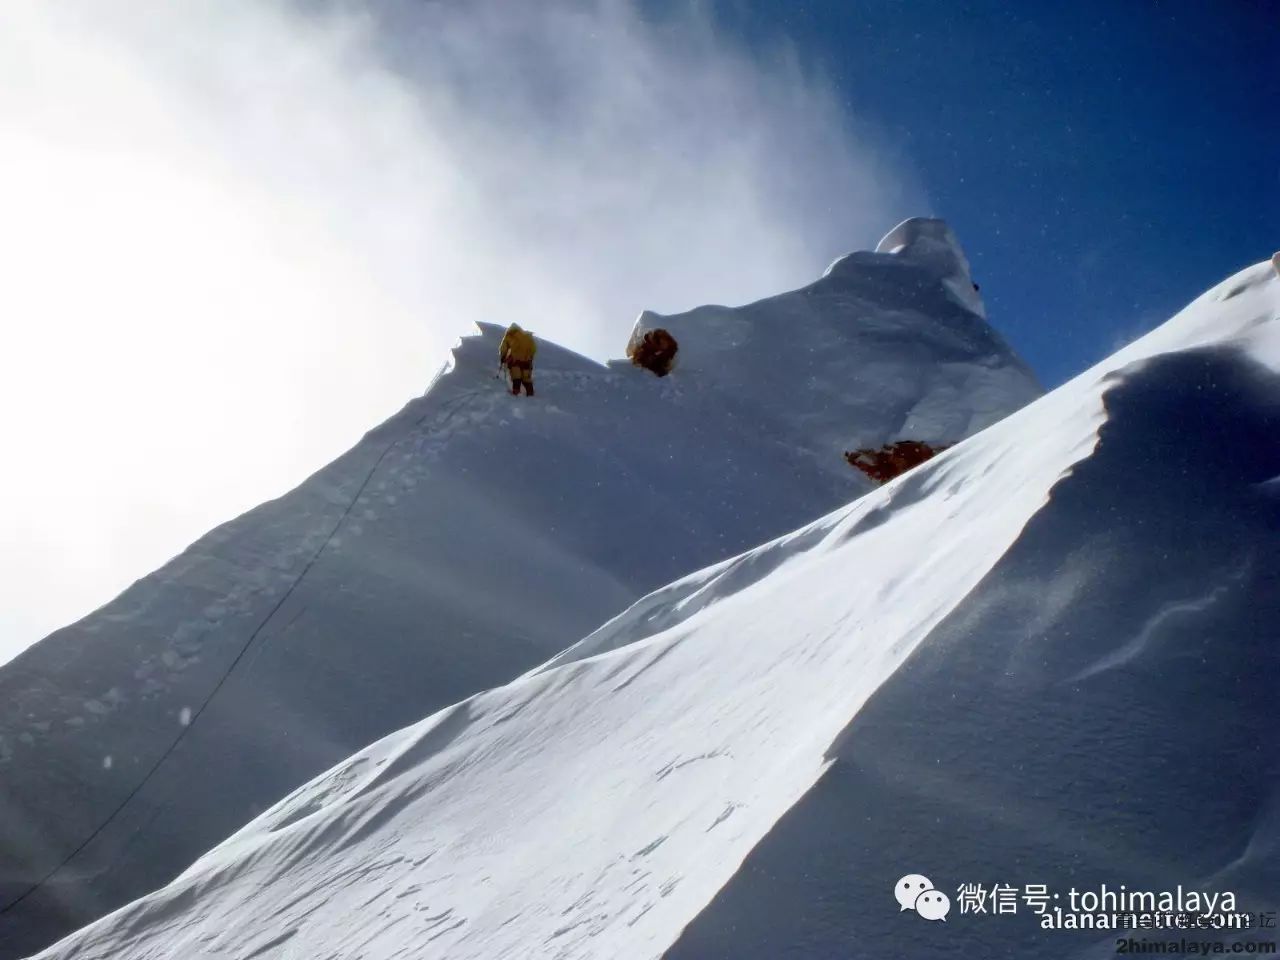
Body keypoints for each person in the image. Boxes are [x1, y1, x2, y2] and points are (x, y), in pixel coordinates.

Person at [499, 323, 537, 396]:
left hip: (515, 360)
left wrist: (503, 357)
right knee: (526, 378)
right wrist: (530, 357)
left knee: (516, 376)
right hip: (527, 361)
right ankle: (530, 394)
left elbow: (503, 348)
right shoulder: (527, 336)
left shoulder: (509, 335)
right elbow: (533, 349)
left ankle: (516, 392)